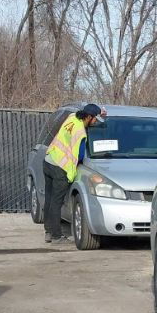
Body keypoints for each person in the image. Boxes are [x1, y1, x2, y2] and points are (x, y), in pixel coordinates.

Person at [43, 103, 103, 243]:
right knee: (57, 202)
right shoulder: (80, 133)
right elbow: (81, 156)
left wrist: (101, 112)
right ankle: (57, 236)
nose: (95, 123)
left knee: (50, 199)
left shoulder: (72, 118)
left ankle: (48, 232)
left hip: (49, 160)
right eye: (95, 119)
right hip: (61, 167)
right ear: (88, 117)